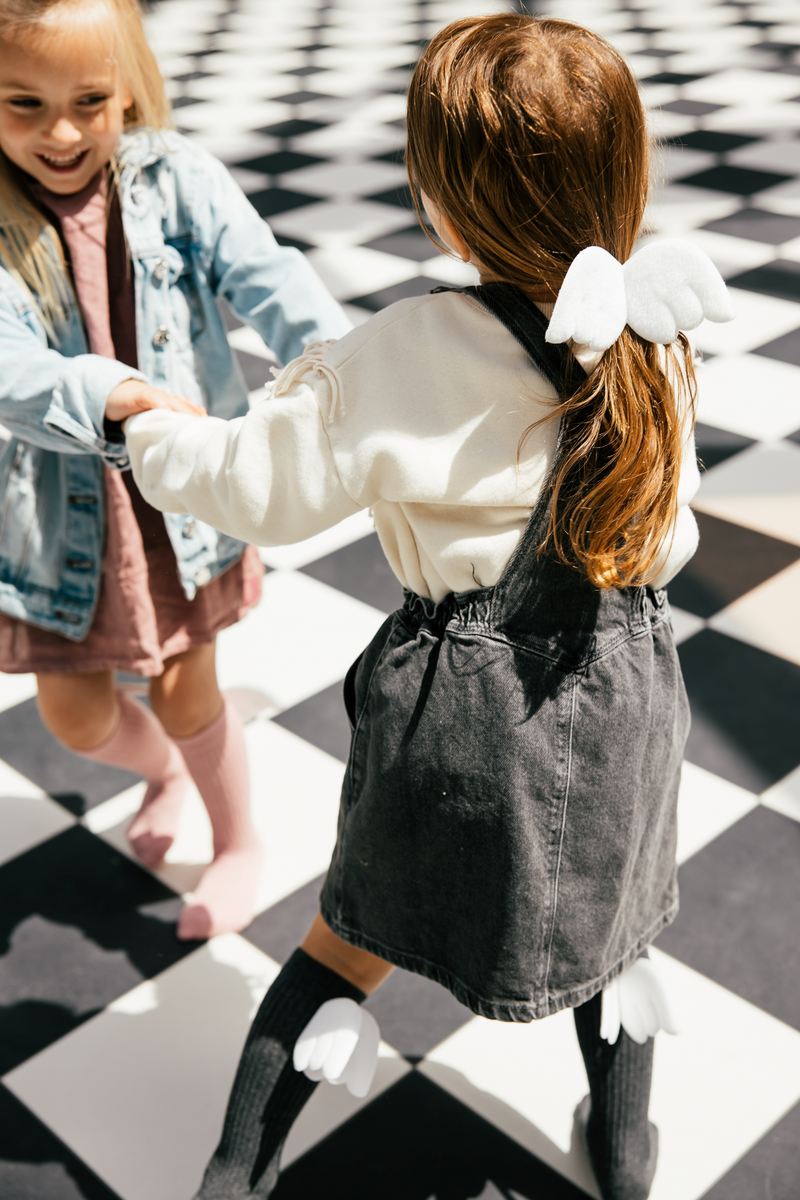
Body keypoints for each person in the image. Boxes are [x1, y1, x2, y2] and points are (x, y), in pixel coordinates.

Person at [125, 14, 733, 1199]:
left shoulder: (405, 348)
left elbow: (259, 489)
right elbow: (672, 535)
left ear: (447, 207)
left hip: (458, 721)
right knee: (613, 936)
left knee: (347, 935)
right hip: (621, 700)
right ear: (624, 175)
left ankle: (236, 1169)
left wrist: (140, 434)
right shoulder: (654, 340)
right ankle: (623, 1153)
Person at [0, 0, 350, 940]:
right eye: (22, 103)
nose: (62, 131)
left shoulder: (177, 176)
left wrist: (346, 372)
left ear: (129, 86)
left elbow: (271, 279)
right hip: (55, 521)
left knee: (189, 687)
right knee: (74, 718)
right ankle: (160, 772)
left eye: (89, 100)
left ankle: (238, 840)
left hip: (180, 501)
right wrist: (110, 393)